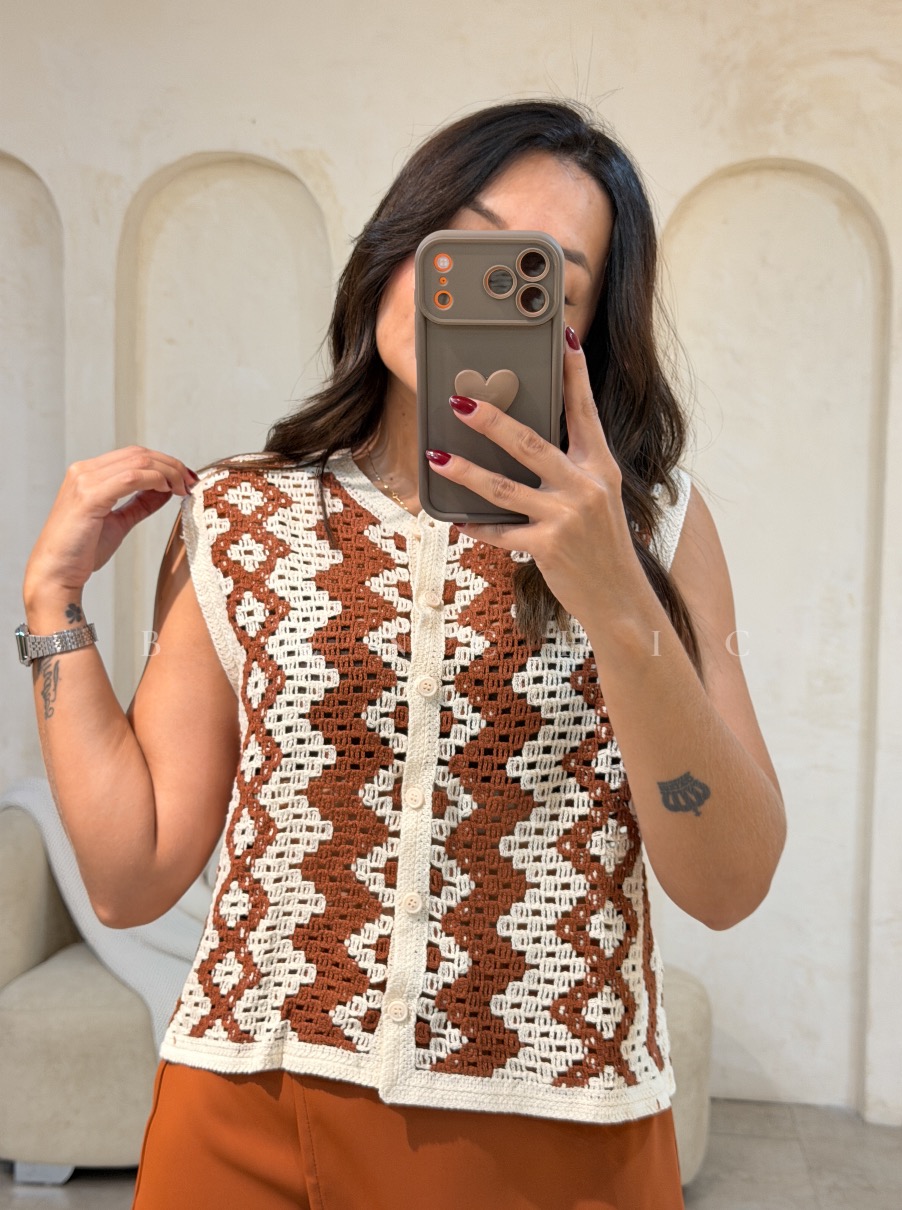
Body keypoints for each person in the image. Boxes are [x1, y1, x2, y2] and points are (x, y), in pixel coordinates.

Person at [21, 100, 786, 1210]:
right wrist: (53, 604)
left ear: (581, 334)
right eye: (459, 242)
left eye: (538, 281)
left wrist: (618, 597)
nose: (476, 293)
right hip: (244, 1113)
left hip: (560, 1134)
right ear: (396, 248)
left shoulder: (653, 525)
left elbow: (728, 882)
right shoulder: (239, 516)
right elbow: (130, 874)